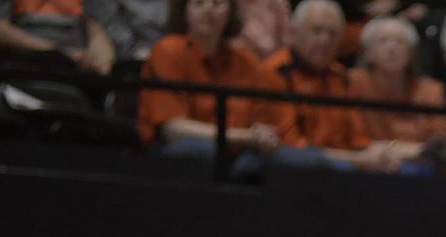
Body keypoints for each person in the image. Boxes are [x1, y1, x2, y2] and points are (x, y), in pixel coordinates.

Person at [137, 0, 328, 177]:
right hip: (178, 150)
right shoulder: (168, 51)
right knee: (202, 150)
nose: (208, 10)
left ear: (231, 13)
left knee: (309, 160)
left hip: (240, 152)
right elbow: (173, 130)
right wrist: (244, 137)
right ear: (185, 11)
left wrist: (263, 135)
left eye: (218, 3)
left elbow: (264, 120)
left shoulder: (246, 61)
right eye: (199, 3)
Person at [263, 0, 400, 172]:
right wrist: (357, 159)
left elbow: (357, 140)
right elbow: (292, 147)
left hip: (344, 167)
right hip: (296, 172)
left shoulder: (341, 76)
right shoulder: (276, 72)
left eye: (332, 33)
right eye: (316, 31)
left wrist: (379, 154)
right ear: (294, 32)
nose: (324, 40)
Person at [348, 18, 446, 153]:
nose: (391, 48)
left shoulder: (431, 90)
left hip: (420, 169)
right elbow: (349, 137)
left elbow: (442, 144)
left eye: (399, 42)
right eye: (383, 41)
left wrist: (389, 149)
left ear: (411, 54)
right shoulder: (352, 82)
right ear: (368, 52)